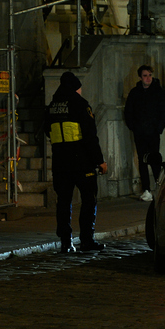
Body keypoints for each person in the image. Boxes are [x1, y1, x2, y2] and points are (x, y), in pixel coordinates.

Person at [45, 71, 108, 253]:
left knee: (63, 202)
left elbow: (48, 131)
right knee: (89, 199)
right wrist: (100, 161)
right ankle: (87, 240)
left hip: (60, 163)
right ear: (75, 88)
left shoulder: (52, 107)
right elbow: (90, 137)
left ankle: (66, 242)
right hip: (81, 162)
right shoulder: (81, 105)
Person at [124, 65, 165, 202]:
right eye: (145, 75)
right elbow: (128, 112)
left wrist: (158, 128)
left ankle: (158, 188)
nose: (148, 78)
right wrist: (133, 127)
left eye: (150, 75)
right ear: (140, 77)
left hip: (153, 132)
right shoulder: (135, 93)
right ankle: (146, 189)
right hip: (140, 132)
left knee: (154, 160)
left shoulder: (159, 92)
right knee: (142, 161)